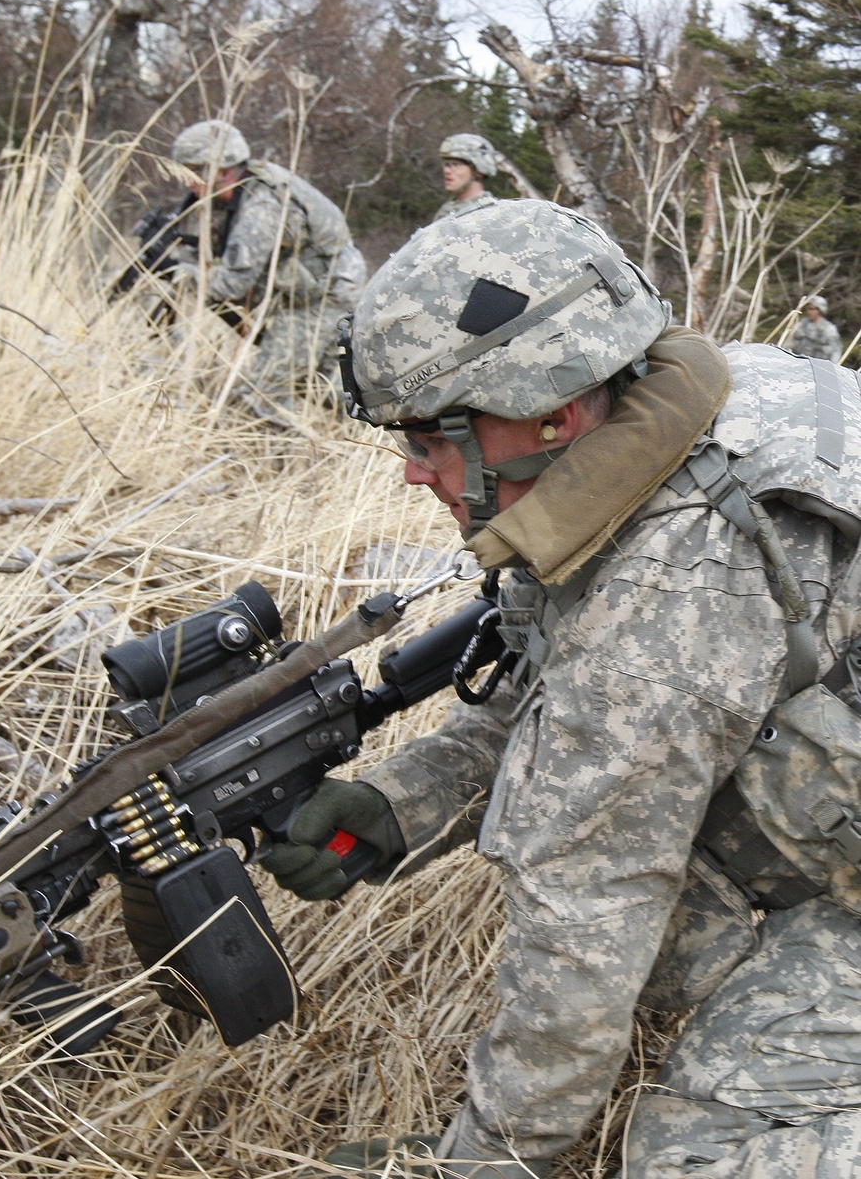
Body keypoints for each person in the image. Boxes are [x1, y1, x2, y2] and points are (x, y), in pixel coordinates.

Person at [264, 197, 861, 1177]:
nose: (413, 473)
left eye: (429, 438)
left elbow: (585, 915)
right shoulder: (675, 418)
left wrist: (488, 1157)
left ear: (548, 405)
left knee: (688, 1158)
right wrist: (397, 803)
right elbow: (562, 693)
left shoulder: (684, 574)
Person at [168, 119, 367, 405]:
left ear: (222, 172)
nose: (188, 182)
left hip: (323, 297)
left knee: (264, 397)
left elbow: (231, 285)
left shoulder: (261, 206)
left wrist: (181, 274)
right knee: (325, 389)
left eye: (192, 172)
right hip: (307, 291)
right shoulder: (242, 191)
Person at [433, 134, 498, 221]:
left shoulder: (490, 213)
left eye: (456, 164)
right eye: (447, 164)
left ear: (478, 171)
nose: (447, 171)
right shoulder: (446, 211)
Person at [791, 293, 842, 363]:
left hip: (819, 367)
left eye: (812, 309)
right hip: (799, 364)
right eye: (808, 309)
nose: (809, 312)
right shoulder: (801, 325)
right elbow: (790, 343)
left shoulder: (829, 329)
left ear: (820, 310)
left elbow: (835, 352)